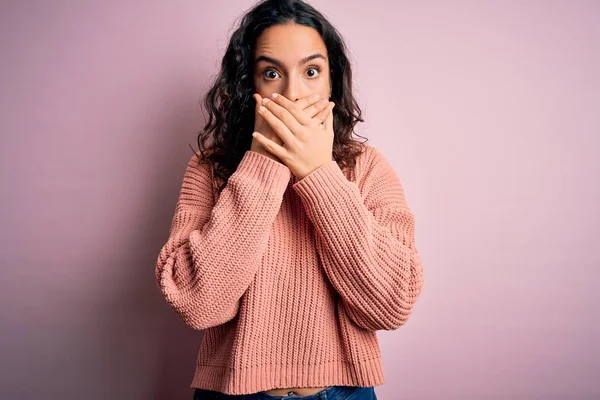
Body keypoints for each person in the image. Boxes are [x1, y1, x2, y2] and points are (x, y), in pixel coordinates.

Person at [154, 0, 425, 398]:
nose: (293, 93)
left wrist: (319, 174)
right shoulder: (210, 168)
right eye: (271, 73)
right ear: (251, 84)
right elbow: (198, 303)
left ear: (332, 81)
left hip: (342, 393)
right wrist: (263, 163)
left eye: (311, 71)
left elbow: (391, 303)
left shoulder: (366, 167)